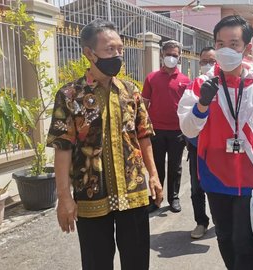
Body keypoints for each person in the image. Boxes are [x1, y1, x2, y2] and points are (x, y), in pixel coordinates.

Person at [47, 19, 163, 270]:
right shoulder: (70, 95)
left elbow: (143, 136)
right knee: (96, 262)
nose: (118, 55)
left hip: (133, 192)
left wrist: (153, 176)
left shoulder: (130, 91)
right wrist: (65, 198)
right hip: (91, 195)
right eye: (110, 50)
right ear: (89, 53)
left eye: (120, 49)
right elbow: (62, 147)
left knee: (137, 261)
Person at [178, 15, 253, 269]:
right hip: (215, 174)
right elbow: (188, 129)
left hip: (251, 174)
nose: (225, 49)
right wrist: (202, 104)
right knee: (224, 236)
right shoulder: (202, 84)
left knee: (245, 241)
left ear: (247, 48)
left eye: (233, 44)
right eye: (220, 43)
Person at [142, 40, 191, 213]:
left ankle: (174, 198)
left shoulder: (185, 81)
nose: (171, 58)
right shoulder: (152, 78)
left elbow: (189, 107)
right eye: (168, 54)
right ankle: (156, 198)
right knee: (156, 166)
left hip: (177, 131)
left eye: (175, 55)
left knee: (175, 166)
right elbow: (144, 105)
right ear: (162, 55)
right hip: (156, 130)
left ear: (179, 57)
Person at [186, 46, 216, 239]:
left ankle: (221, 221)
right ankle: (201, 222)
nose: (207, 65)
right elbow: (186, 116)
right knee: (197, 186)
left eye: (211, 61)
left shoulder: (226, 88)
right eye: (204, 61)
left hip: (217, 147)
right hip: (196, 145)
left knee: (216, 185)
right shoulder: (194, 86)